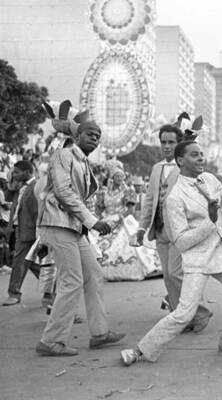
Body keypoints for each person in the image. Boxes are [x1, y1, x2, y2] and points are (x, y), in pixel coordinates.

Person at [120, 141, 222, 366]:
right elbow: (182, 242)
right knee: (184, 314)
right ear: (180, 161)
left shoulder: (210, 180)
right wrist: (211, 221)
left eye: (202, 155)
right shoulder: (174, 198)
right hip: (197, 259)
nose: (201, 159)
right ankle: (140, 351)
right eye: (195, 155)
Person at [35, 120, 125, 356]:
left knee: (93, 274)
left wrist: (88, 222)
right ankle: (51, 341)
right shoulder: (63, 155)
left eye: (98, 136)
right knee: (72, 281)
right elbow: (64, 192)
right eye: (90, 134)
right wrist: (92, 222)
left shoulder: (84, 162)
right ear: (77, 135)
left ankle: (100, 333)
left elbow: (80, 197)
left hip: (74, 227)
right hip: (57, 224)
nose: (95, 139)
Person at [136, 125, 212, 332]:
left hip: (181, 229)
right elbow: (150, 200)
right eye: (163, 142)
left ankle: (200, 311)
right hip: (160, 228)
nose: (167, 146)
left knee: (178, 272)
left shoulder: (187, 168)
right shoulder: (156, 168)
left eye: (171, 142)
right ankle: (182, 316)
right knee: (168, 275)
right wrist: (142, 228)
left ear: (178, 144)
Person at [95, 167, 160, 281]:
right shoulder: (104, 192)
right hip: (107, 219)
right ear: (112, 178)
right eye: (117, 176)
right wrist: (98, 219)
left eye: (121, 176)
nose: (120, 178)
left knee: (129, 244)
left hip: (123, 219)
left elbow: (131, 209)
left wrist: (119, 217)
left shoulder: (127, 191)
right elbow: (99, 209)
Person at [2, 160, 51, 306]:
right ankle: (49, 293)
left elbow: (38, 210)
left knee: (20, 261)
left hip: (31, 230)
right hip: (20, 228)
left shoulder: (35, 185)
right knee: (30, 263)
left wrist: (39, 232)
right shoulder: (20, 186)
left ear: (27, 172)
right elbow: (9, 200)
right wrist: (11, 185)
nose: (14, 175)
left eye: (17, 172)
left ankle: (14, 293)